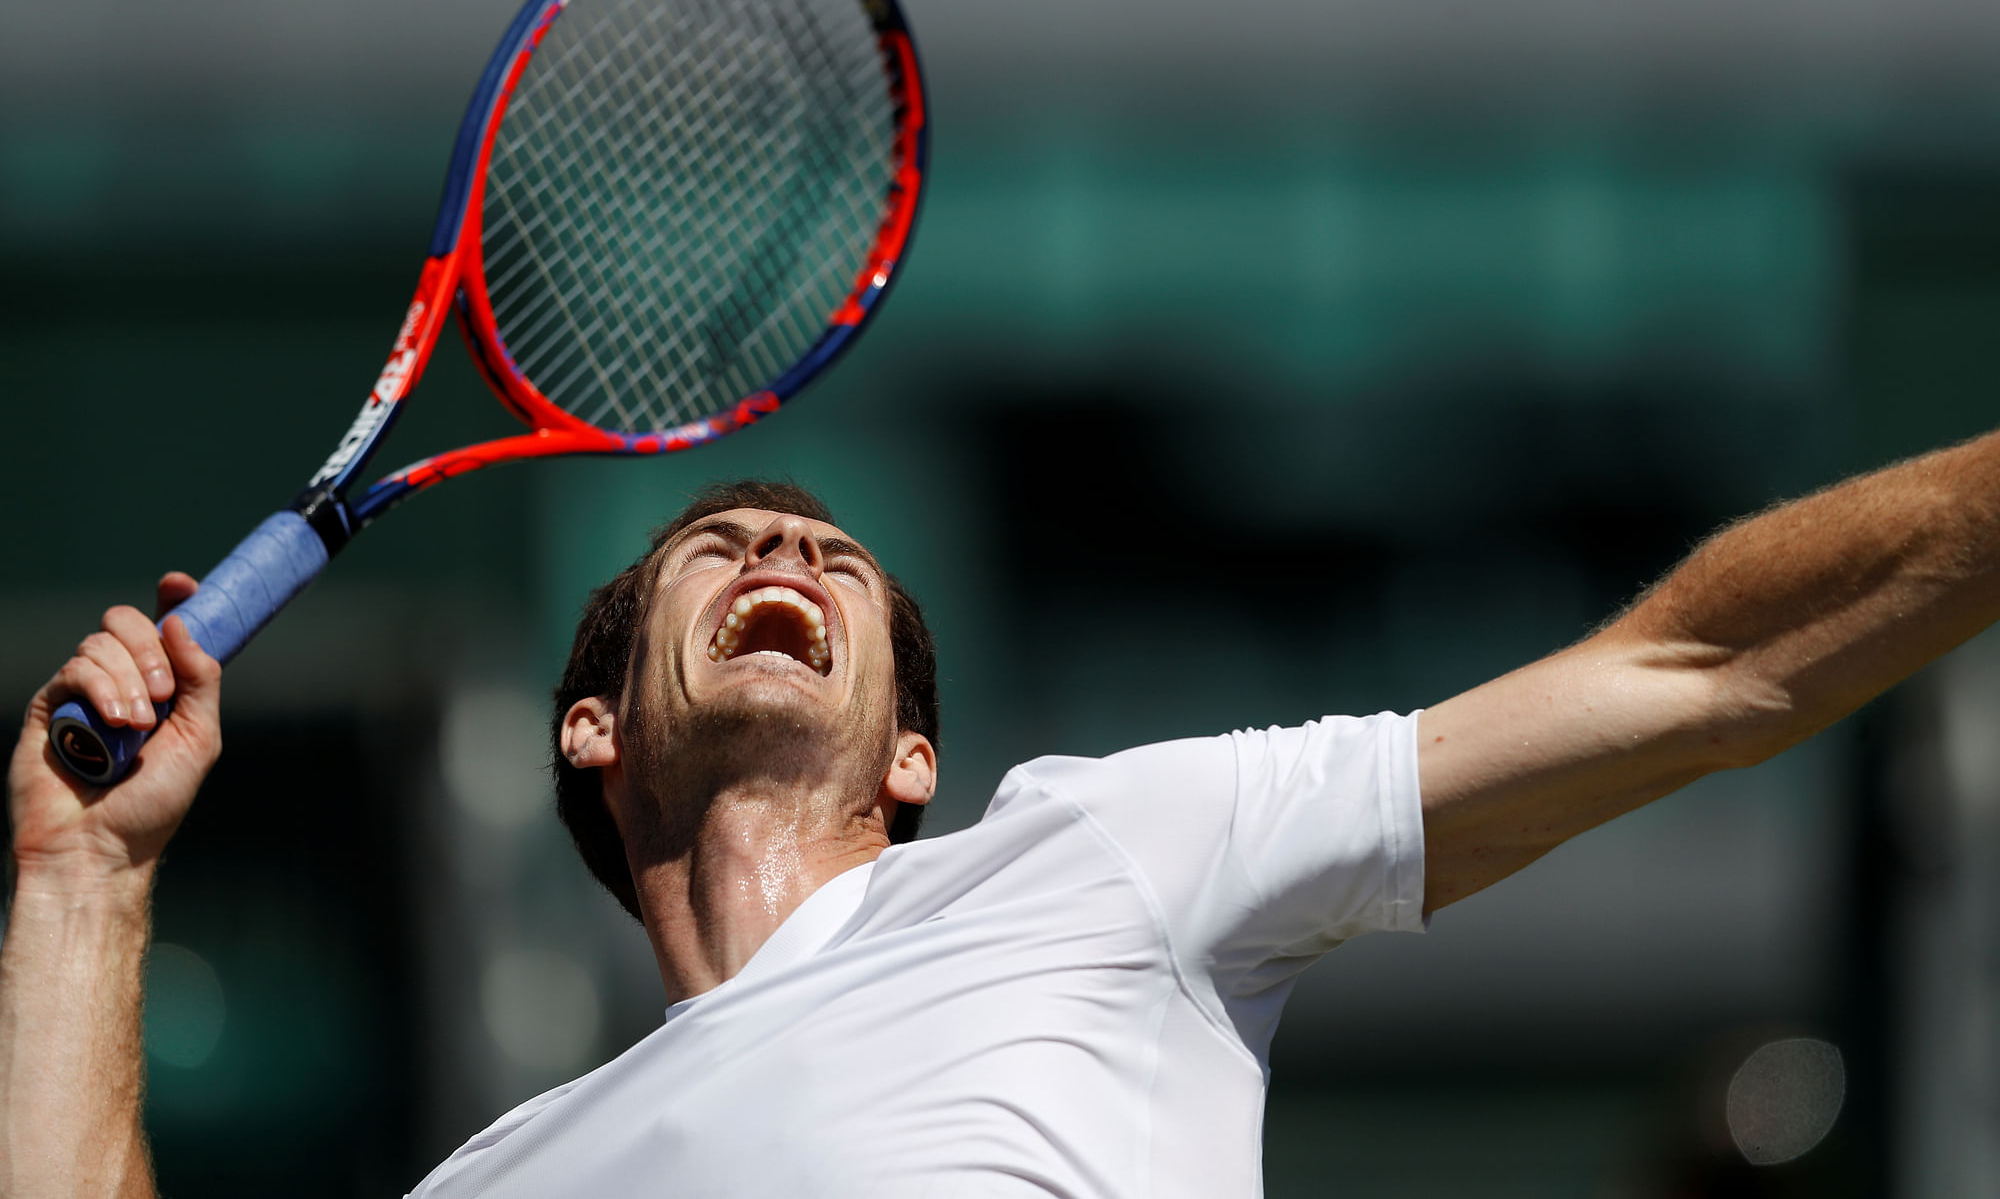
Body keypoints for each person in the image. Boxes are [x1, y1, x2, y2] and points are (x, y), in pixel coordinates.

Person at [4, 440, 1999, 1196]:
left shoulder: (1103, 852)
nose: (787, 533)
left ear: (910, 767)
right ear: (594, 731)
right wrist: (84, 877)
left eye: (837, 557)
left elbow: (1695, 671)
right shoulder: (493, 1181)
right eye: (717, 545)